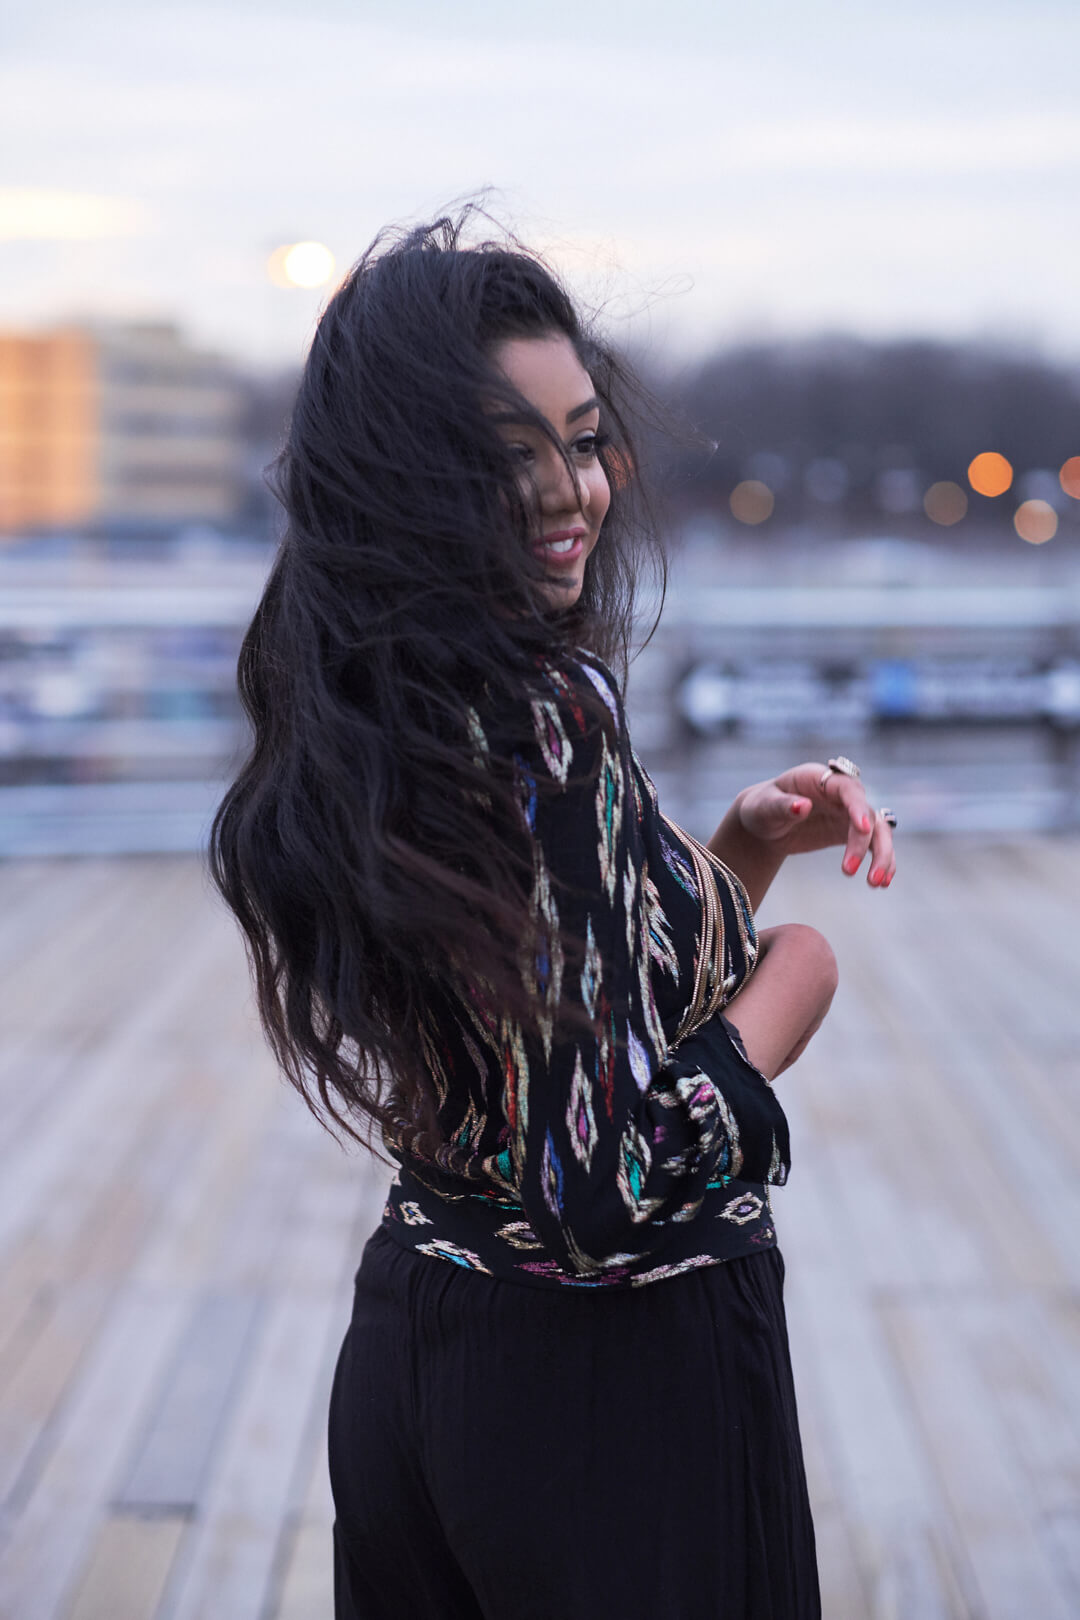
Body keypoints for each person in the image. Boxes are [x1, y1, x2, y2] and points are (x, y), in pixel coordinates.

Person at [209, 209, 896, 1620]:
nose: (568, 491)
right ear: (410, 476)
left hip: (422, 1346)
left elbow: (551, 1035)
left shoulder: (364, 697)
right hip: (611, 1395)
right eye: (503, 459)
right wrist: (794, 984)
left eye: (581, 442)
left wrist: (731, 860)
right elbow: (603, 1189)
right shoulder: (545, 710)